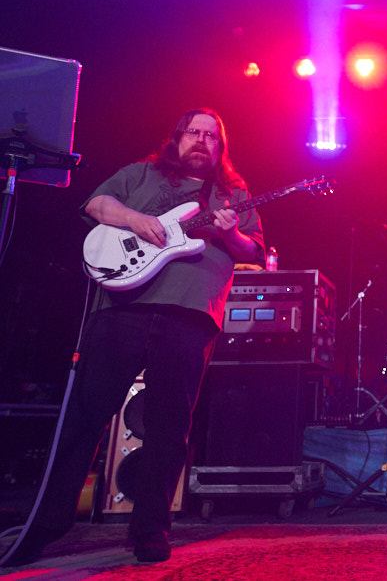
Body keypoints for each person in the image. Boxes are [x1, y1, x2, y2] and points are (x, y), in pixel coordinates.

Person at [2, 108, 264, 566]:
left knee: (168, 428)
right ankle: (45, 523)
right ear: (176, 138)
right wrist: (135, 221)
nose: (202, 141)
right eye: (193, 132)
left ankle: (150, 531)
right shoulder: (140, 174)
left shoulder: (231, 194)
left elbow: (254, 252)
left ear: (221, 148)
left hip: (190, 316)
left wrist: (234, 233)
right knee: (84, 417)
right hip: (121, 310)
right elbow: (95, 206)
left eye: (212, 136)